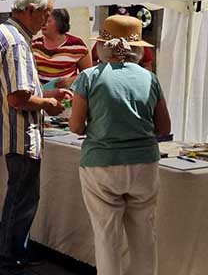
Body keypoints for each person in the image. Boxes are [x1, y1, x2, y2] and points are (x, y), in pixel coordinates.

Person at [0, 0, 71, 275]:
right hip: (18, 132)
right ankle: (8, 259)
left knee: (20, 197)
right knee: (21, 199)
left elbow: (16, 91)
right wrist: (49, 104)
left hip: (6, 128)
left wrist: (45, 94)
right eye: (45, 13)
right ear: (29, 9)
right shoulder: (16, 42)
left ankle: (16, 253)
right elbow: (18, 99)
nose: (47, 19)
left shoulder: (0, 34)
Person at [69, 15, 171, 275]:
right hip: (144, 163)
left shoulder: (89, 77)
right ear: (138, 49)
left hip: (101, 163)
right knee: (144, 235)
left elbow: (76, 127)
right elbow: (164, 128)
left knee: (107, 237)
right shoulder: (151, 78)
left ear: (102, 45)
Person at [32, 8, 92, 88]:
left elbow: (89, 74)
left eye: (48, 21)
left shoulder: (76, 45)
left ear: (59, 23)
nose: (43, 24)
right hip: (42, 97)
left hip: (68, 97)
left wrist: (72, 80)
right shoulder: (34, 45)